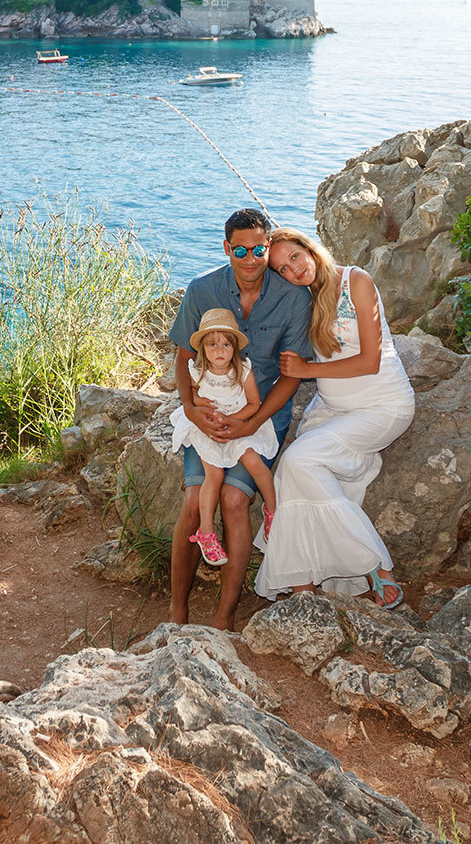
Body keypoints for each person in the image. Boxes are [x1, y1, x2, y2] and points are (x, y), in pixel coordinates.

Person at [166, 207, 315, 631]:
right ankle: (177, 612)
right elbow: (182, 359)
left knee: (234, 500)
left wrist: (251, 423)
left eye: (259, 249)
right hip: (208, 417)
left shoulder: (293, 298)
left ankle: (224, 617)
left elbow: (291, 376)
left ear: (268, 246)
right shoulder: (202, 290)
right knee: (195, 501)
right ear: (227, 247)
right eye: (241, 250)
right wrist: (192, 409)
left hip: (261, 415)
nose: (251, 259)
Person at [254, 226, 416, 609]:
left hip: (381, 405)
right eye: (282, 269)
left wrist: (306, 371)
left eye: (295, 257)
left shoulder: (355, 281)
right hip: (331, 408)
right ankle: (303, 584)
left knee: (297, 460)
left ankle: (376, 564)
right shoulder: (301, 300)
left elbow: (370, 360)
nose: (294, 270)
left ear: (309, 248)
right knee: (293, 472)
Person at [169, 308, 279, 565]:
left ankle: (272, 510)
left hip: (237, 423)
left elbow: (254, 404)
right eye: (212, 344)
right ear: (203, 349)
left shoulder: (243, 371)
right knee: (214, 474)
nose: (219, 350)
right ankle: (206, 531)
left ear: (235, 348)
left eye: (226, 344)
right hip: (207, 429)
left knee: (254, 462)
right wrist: (199, 404)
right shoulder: (197, 372)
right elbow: (193, 396)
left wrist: (234, 422)